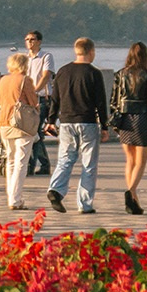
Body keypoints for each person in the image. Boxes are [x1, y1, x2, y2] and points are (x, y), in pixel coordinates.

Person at [46, 38, 107, 215]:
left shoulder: (63, 72)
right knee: (89, 164)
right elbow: (100, 102)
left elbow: (55, 99)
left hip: (66, 123)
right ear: (91, 52)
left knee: (65, 159)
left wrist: (51, 121)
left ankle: (55, 189)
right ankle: (84, 204)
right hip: (87, 122)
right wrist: (104, 126)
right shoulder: (94, 73)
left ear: (76, 51)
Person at [110, 42, 147, 216]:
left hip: (124, 119)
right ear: (146, 55)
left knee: (130, 160)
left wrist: (114, 121)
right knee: (141, 162)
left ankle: (134, 199)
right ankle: (130, 192)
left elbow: (114, 100)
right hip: (141, 118)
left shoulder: (120, 74)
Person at [0, 53, 39, 211]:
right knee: (21, 162)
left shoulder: (3, 80)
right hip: (21, 124)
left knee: (11, 160)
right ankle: (16, 198)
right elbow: (33, 101)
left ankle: (11, 196)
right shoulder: (25, 80)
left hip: (3, 121)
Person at [23, 32, 55, 175]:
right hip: (27, 100)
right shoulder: (24, 58)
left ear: (39, 42)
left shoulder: (46, 56)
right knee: (34, 133)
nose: (30, 42)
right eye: (27, 40)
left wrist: (35, 91)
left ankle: (31, 165)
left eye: (32, 40)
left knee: (34, 131)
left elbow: (46, 75)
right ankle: (45, 164)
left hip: (42, 99)